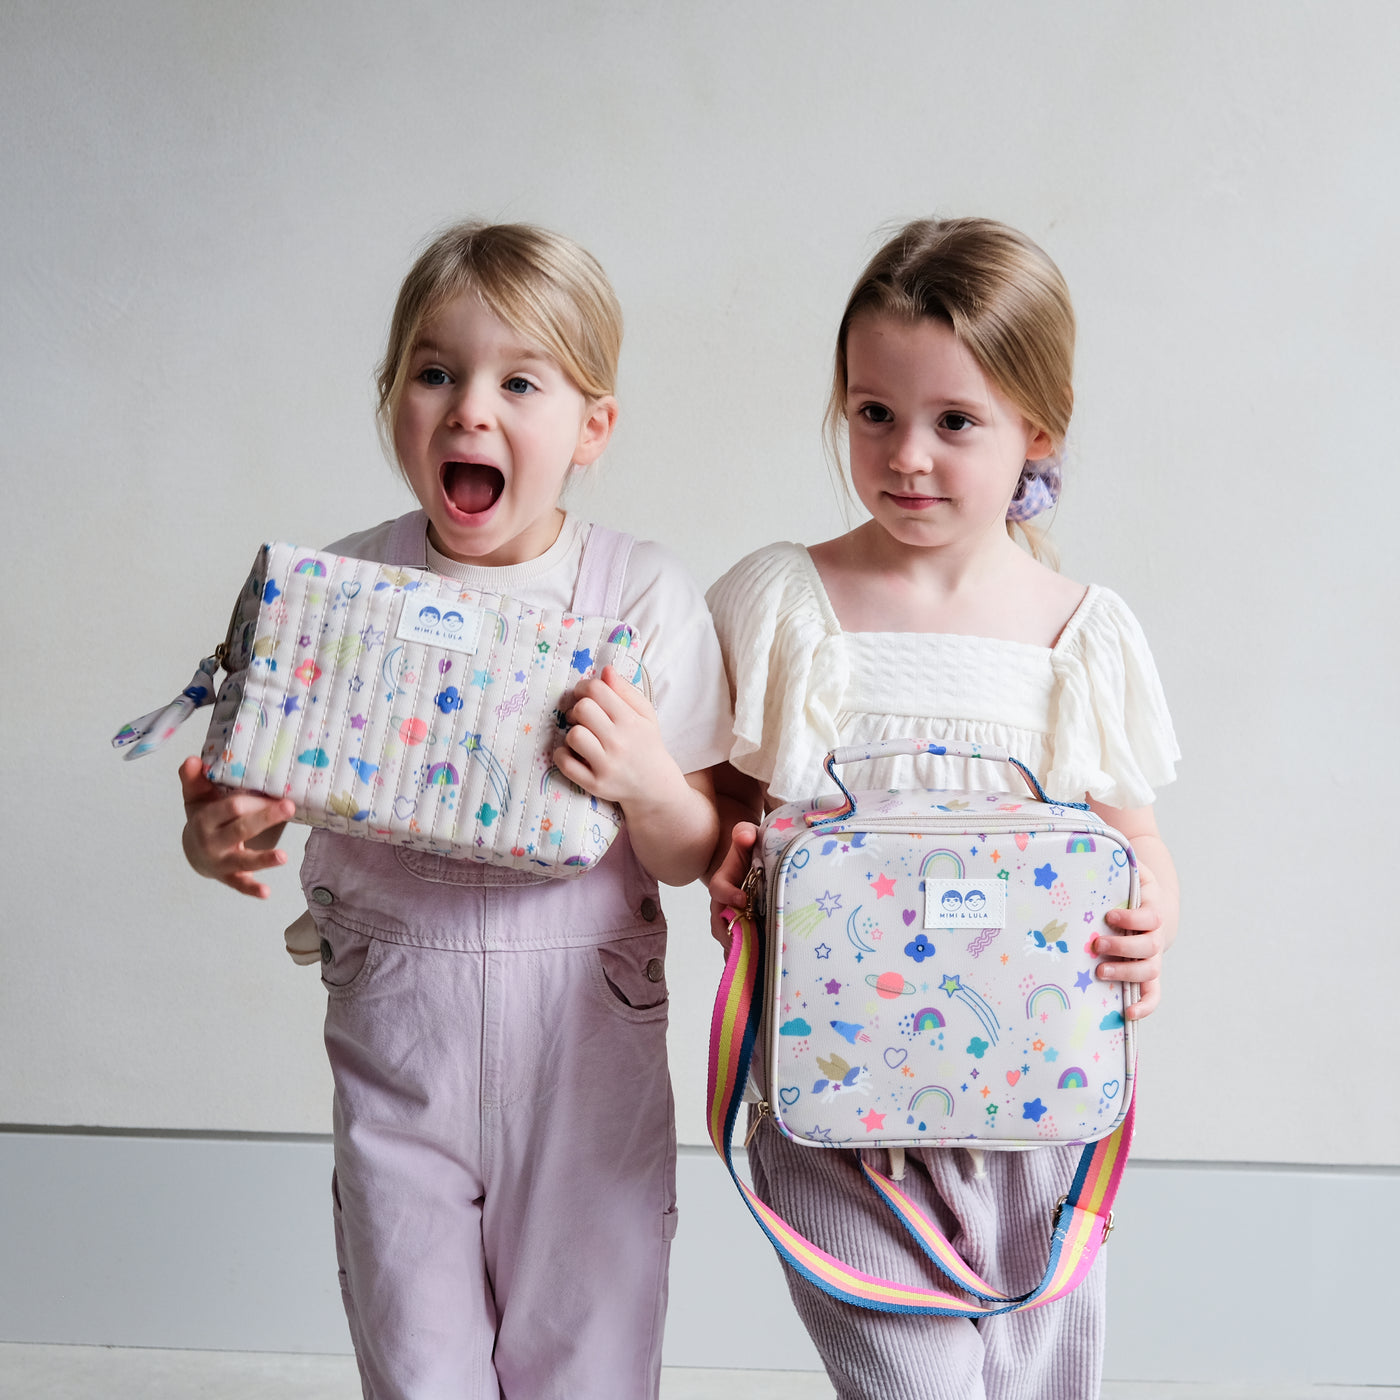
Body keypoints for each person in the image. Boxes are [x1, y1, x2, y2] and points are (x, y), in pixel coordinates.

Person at [178, 222, 732, 1399]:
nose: (469, 408)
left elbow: (690, 856)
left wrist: (643, 777)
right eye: (434, 373)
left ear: (592, 426)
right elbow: (260, 798)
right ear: (393, 398)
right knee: (415, 1350)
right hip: (400, 1037)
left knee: (588, 1348)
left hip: (582, 1039)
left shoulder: (639, 594)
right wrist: (223, 829)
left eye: (518, 381)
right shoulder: (340, 591)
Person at [707, 217, 1180, 1400]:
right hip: (836, 1113)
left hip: (1041, 1118)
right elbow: (714, 794)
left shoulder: (1082, 637)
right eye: (873, 412)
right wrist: (725, 847)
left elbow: (1135, 842)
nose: (904, 454)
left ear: (1038, 427)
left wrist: (1149, 920)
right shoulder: (785, 602)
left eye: (952, 421)